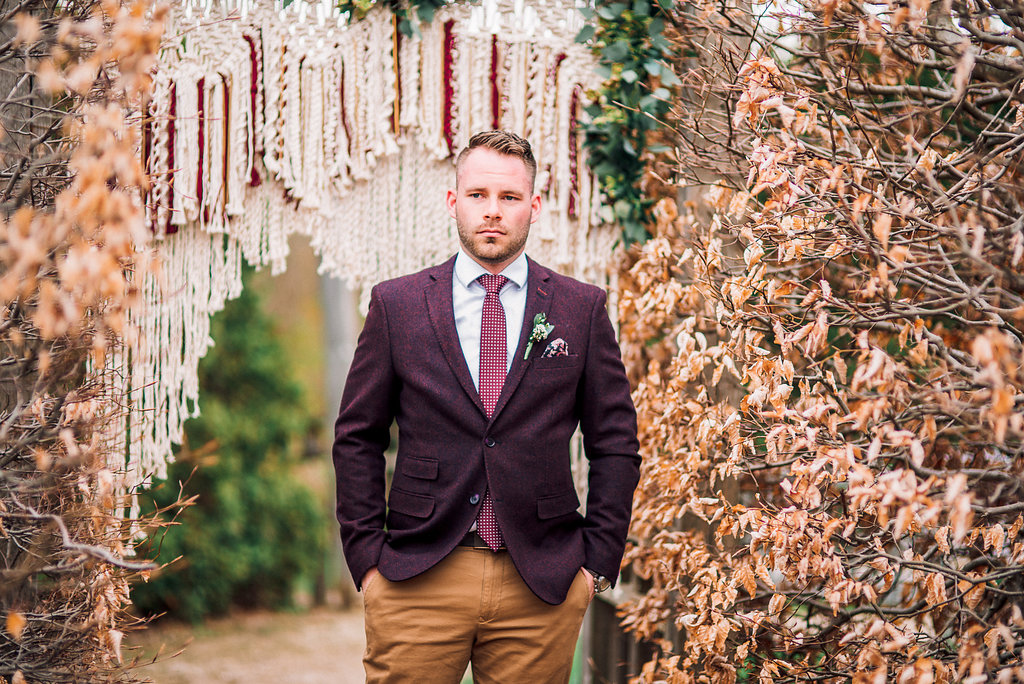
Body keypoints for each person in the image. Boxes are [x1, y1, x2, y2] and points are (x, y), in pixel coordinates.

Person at [332, 130, 640, 683]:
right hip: (417, 574)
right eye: (477, 195)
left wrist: (594, 565)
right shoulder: (396, 305)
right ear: (454, 201)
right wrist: (367, 560)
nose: (492, 212)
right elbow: (357, 436)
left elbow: (615, 442)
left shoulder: (580, 309)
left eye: (508, 197)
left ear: (534, 206)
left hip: (541, 579)